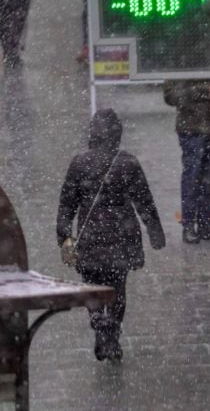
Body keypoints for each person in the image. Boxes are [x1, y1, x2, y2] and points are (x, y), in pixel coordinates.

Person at [57, 109, 165, 361]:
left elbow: (67, 204)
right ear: (118, 134)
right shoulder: (128, 163)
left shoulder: (79, 163)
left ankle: (98, 320)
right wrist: (155, 232)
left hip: (90, 235)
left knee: (93, 285)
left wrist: (64, 236)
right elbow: (144, 201)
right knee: (117, 287)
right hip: (121, 233)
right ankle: (113, 335)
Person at [163, 79, 210, 243]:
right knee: (192, 177)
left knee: (207, 179)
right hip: (192, 130)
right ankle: (189, 226)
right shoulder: (183, 68)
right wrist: (205, 90)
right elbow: (171, 97)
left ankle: (204, 224)